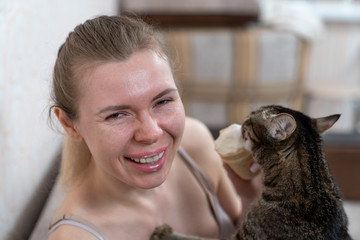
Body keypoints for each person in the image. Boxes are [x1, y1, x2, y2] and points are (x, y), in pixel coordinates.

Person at [48, 15, 262, 240]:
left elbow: (242, 228)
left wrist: (252, 196)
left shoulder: (194, 142)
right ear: (70, 125)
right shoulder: (76, 236)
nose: (151, 133)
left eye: (162, 101)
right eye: (117, 115)